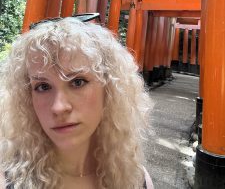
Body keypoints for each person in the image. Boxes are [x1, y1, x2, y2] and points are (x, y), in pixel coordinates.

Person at [0, 17, 154, 189]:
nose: (58, 107)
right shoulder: (7, 180)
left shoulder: (137, 181)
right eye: (43, 86)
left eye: (78, 82)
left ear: (109, 89)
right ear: (27, 97)